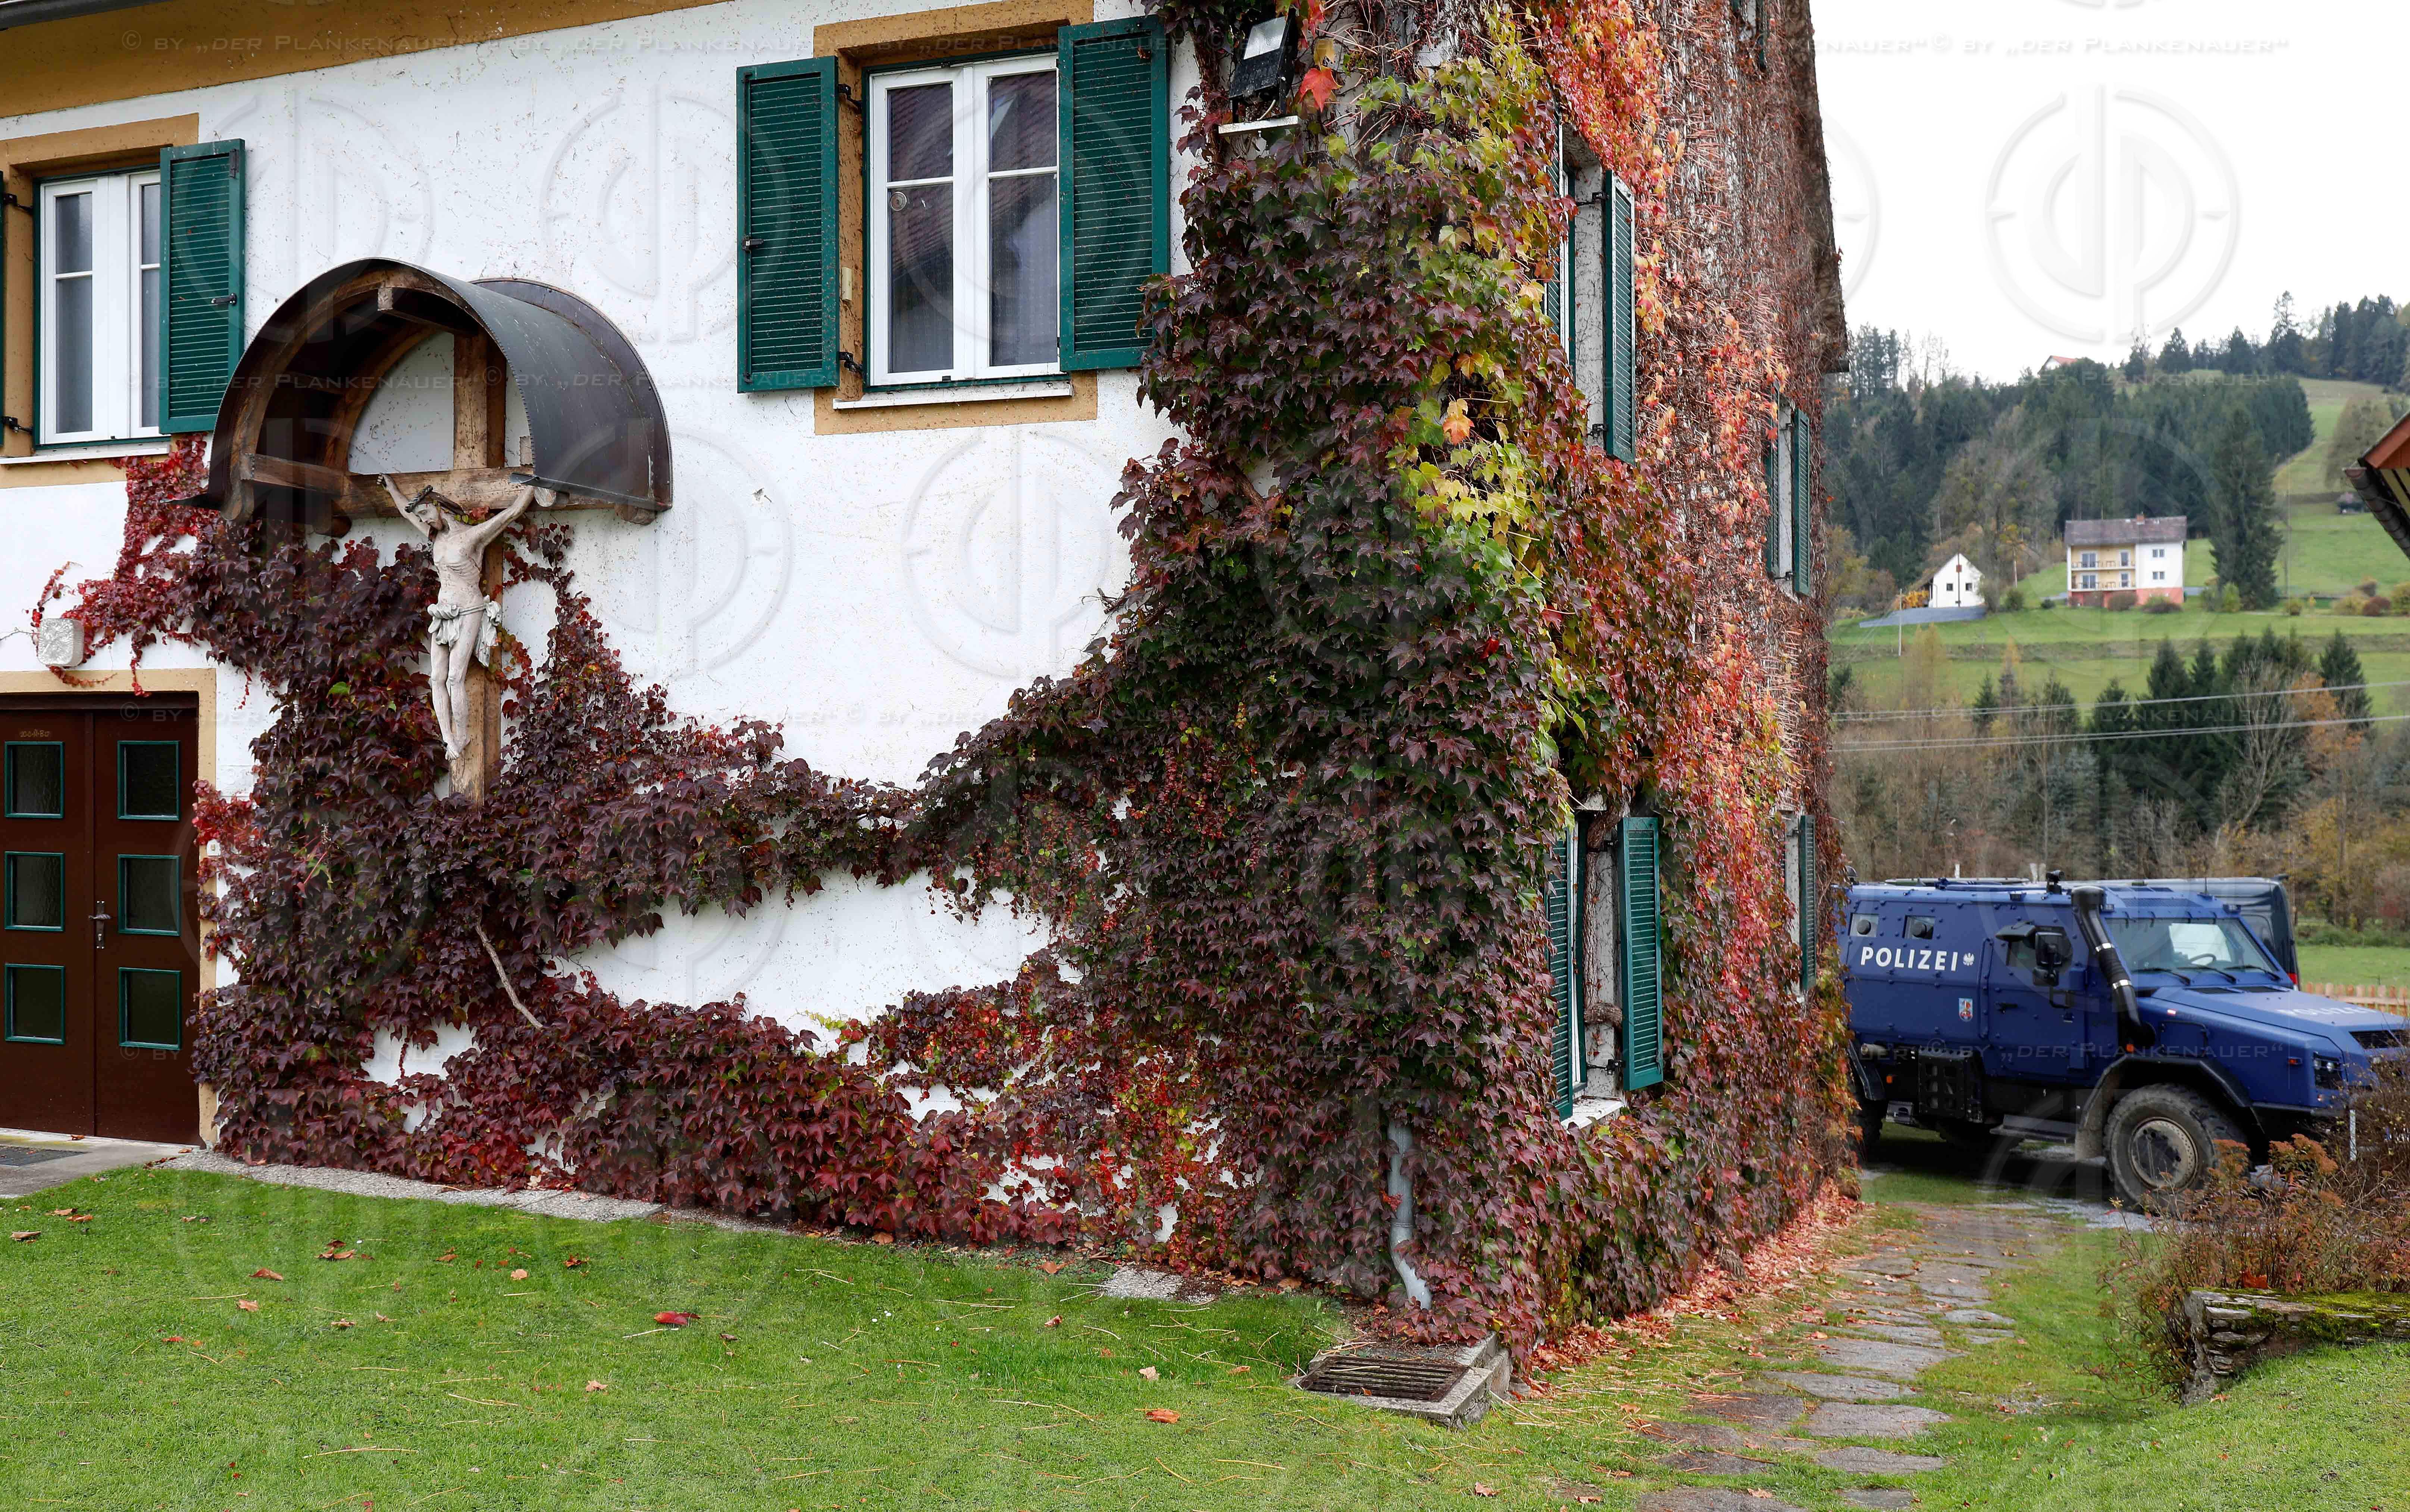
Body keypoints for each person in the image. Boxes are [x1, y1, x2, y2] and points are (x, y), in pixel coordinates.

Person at [381, 475, 543, 762]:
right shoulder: (435, 536)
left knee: (455, 677)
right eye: (423, 517)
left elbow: (512, 513)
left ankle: (463, 735)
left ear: (439, 507)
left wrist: (533, 483)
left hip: (469, 610)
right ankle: (449, 739)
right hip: (443, 613)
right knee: (436, 679)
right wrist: (392, 488)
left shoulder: (471, 536)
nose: (426, 521)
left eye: (428, 514)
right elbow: (406, 512)